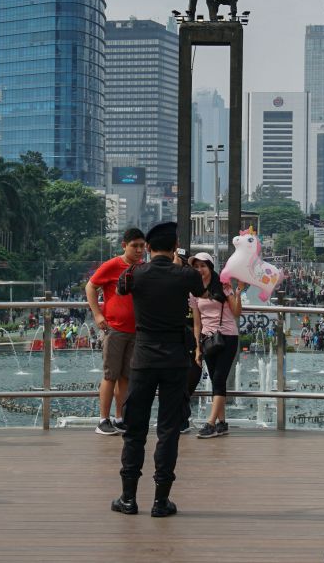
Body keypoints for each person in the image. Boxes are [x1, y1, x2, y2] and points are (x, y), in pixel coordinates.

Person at [112, 222, 207, 518]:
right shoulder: (184, 274)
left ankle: (128, 499)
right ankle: (161, 501)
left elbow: (120, 287)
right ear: (175, 246)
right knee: (168, 430)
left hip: (143, 360)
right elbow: (201, 287)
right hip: (175, 360)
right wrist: (178, 262)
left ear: (149, 248)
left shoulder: (136, 273)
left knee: (134, 430)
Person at [85, 228, 146, 436]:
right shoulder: (113, 265)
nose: (139, 250)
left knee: (126, 376)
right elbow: (90, 287)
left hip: (135, 330)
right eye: (134, 246)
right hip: (115, 328)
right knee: (110, 374)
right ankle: (103, 419)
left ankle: (120, 418)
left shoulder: (142, 267)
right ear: (124, 246)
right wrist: (97, 315)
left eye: (141, 246)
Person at [188, 252, 244, 439]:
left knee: (219, 379)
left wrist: (237, 292)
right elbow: (197, 322)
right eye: (196, 267)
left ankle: (210, 423)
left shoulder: (222, 286)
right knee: (215, 379)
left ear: (210, 267)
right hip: (207, 339)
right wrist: (197, 347)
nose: (199, 270)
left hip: (227, 337)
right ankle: (222, 423)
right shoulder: (193, 290)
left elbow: (236, 312)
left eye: (203, 266)